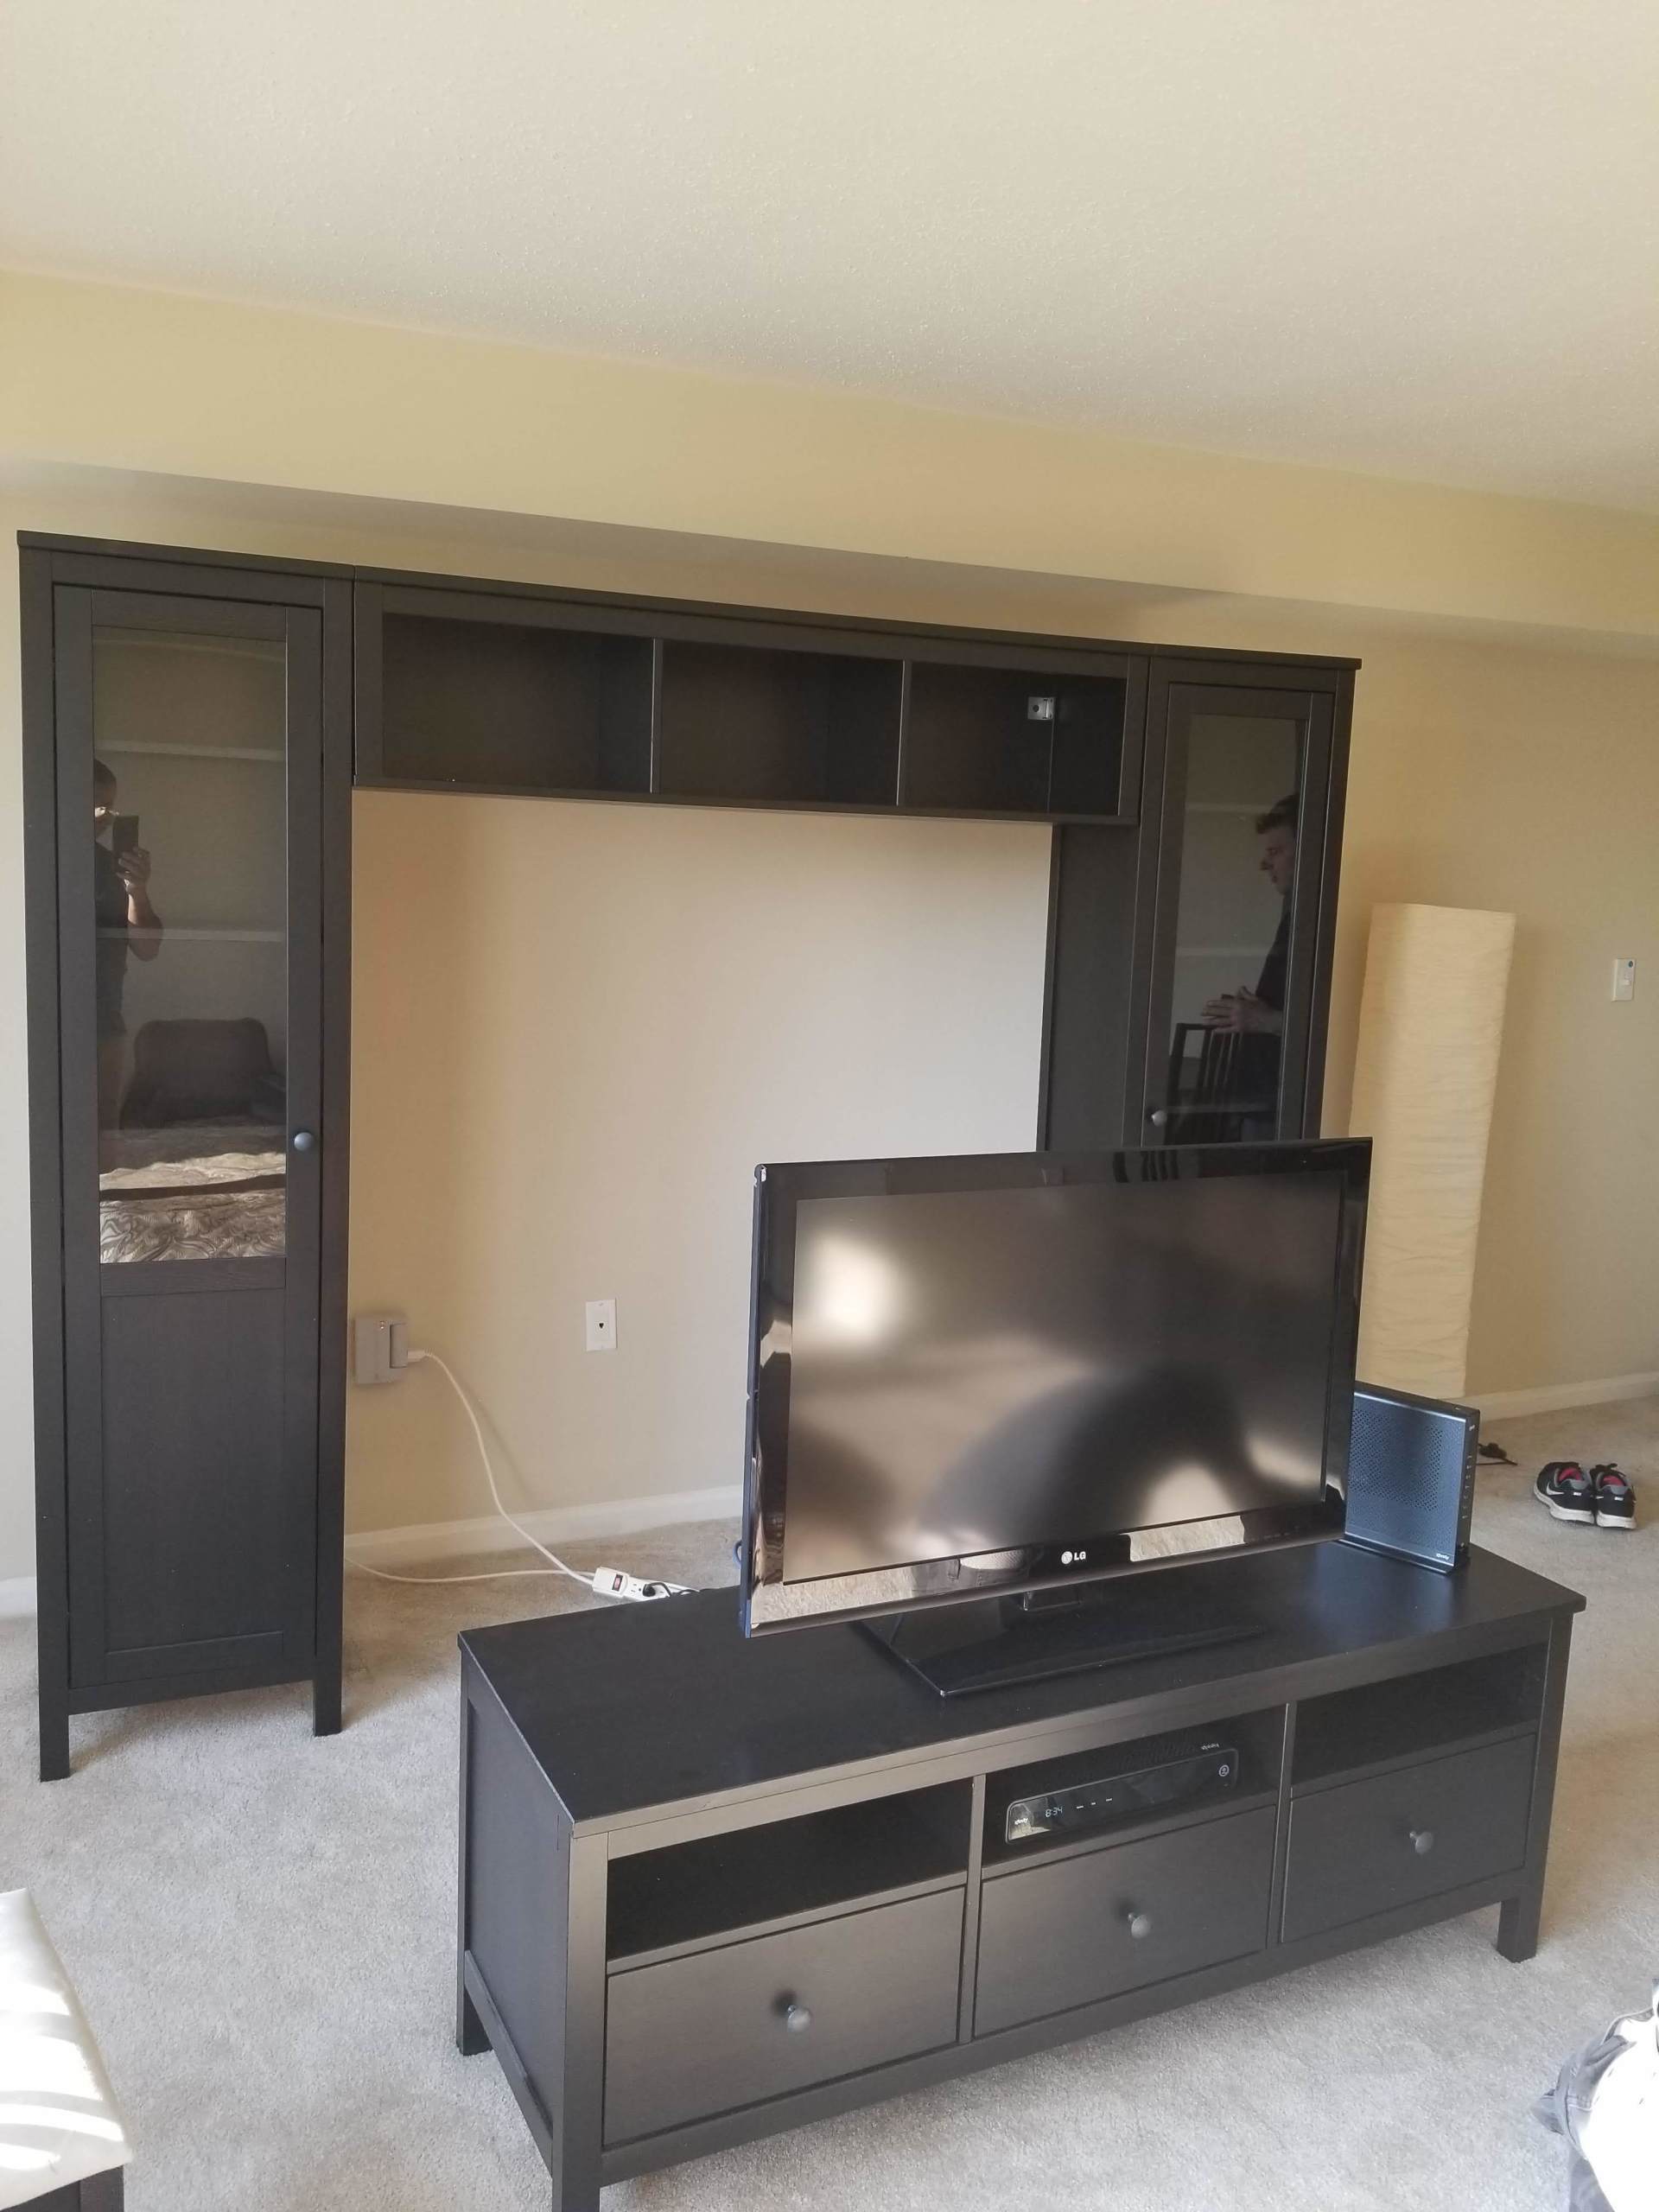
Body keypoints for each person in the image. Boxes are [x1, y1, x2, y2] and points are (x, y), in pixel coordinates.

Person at [93, 758, 162, 1154]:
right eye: (96, 804)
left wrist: (137, 891)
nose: (106, 816)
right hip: (33, 1021)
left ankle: (103, 1216)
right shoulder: (25, 857)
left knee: (105, 1134)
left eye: (111, 806)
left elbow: (147, 949)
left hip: (105, 1021)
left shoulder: (112, 869)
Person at [1202, 791, 1296, 1040]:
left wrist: (1266, 1020)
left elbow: (1335, 1025)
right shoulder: (1297, 918)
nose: (1264, 864)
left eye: (1275, 851)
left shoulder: (1327, 924)